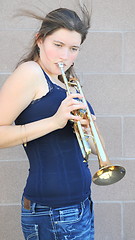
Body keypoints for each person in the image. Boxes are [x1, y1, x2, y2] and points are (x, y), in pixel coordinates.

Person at [0, 6, 97, 240]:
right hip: (53, 213)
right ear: (40, 40)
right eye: (58, 45)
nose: (65, 56)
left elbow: (95, 148)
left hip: (80, 206)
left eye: (74, 49)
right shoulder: (31, 72)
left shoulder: (69, 82)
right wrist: (55, 121)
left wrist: (88, 130)